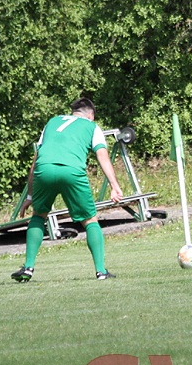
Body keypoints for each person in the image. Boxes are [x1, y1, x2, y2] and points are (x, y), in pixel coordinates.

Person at [11, 97, 124, 282]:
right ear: (91, 115)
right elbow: (102, 156)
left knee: (39, 215)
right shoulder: (92, 127)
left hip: (44, 169)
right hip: (71, 171)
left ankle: (28, 267)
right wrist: (114, 186)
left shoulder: (52, 122)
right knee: (90, 220)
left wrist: (30, 195)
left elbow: (36, 159)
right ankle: (101, 271)